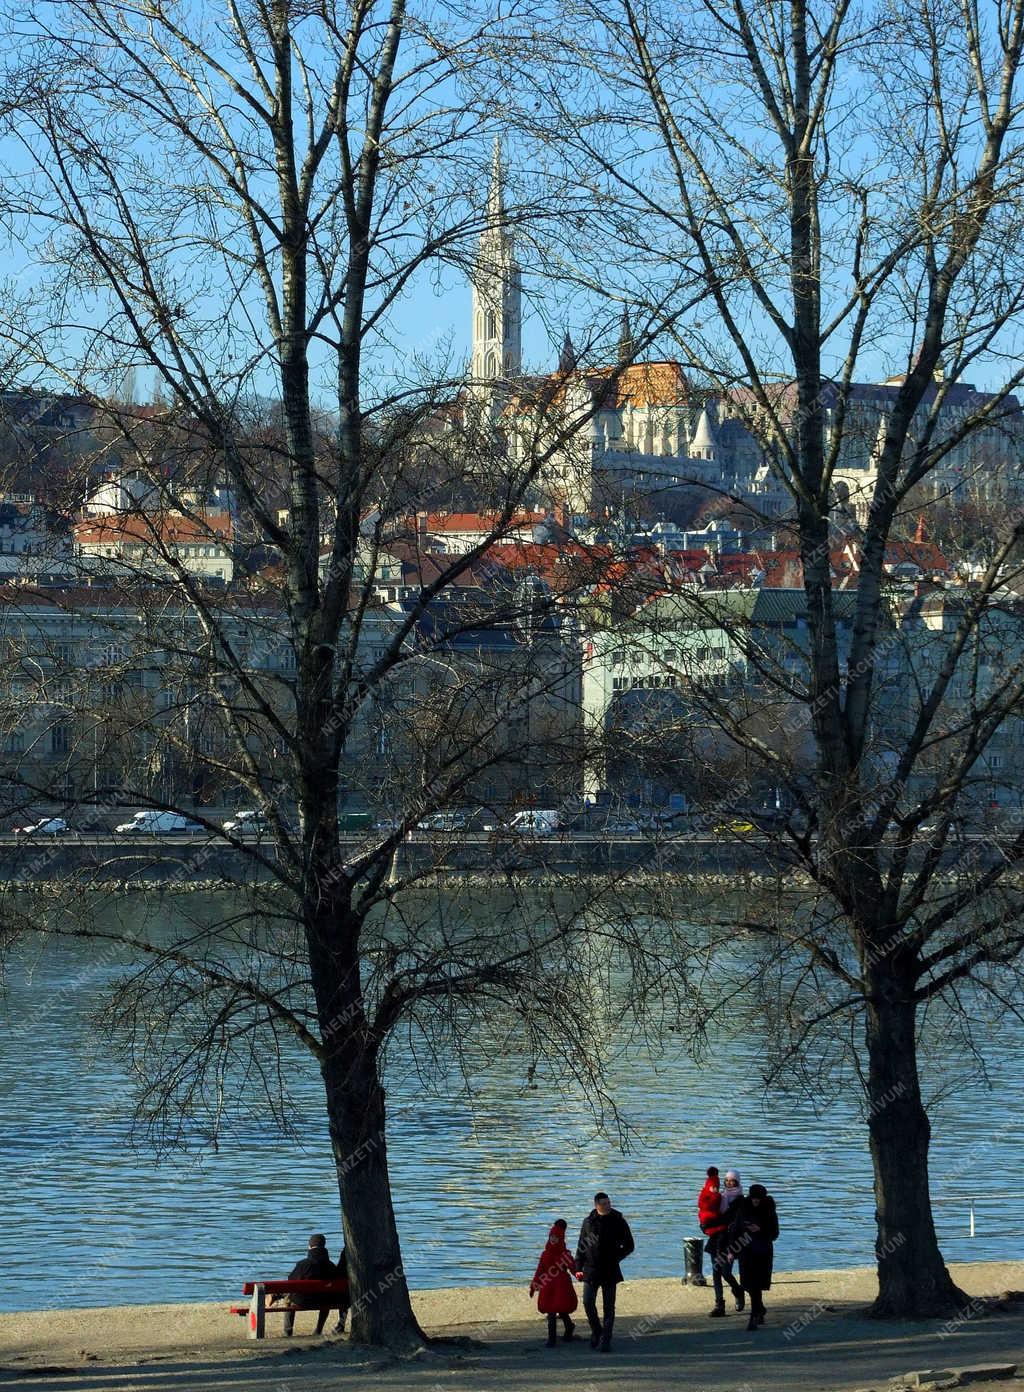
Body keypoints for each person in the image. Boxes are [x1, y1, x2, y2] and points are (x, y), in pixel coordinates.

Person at [574, 1191, 635, 1352]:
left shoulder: (618, 1221)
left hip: (610, 1269)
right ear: (597, 1205)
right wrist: (577, 1267)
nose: (608, 1206)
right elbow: (581, 1246)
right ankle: (597, 1331)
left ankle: (606, 1339)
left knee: (609, 1306)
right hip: (591, 1269)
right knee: (588, 1302)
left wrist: (616, 1257)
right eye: (604, 1204)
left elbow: (629, 1245)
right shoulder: (588, 1222)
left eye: (609, 1203)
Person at [727, 1183, 779, 1331]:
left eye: (758, 1199)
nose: (756, 1202)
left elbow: (775, 1233)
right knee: (747, 1284)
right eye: (754, 1199)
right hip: (745, 1251)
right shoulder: (744, 1208)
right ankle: (760, 1309)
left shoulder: (769, 1210)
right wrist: (731, 1251)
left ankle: (754, 1316)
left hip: (762, 1252)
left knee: (756, 1284)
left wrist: (760, 1229)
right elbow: (735, 1230)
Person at [274, 1233, 348, 1337]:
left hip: (303, 1301)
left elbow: (290, 1282)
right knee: (325, 1296)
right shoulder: (330, 1266)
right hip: (324, 1301)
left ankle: (288, 1332)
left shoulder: (302, 1264)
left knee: (289, 1300)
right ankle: (318, 1330)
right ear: (324, 1246)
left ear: (309, 1247)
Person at [699, 1165, 744, 1317]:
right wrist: (704, 1225)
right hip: (716, 1238)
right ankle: (719, 1305)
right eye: (727, 1181)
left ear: (738, 1182)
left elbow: (729, 1219)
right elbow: (708, 1211)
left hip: (731, 1241)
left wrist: (710, 1224)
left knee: (726, 1272)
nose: (729, 1183)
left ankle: (738, 1291)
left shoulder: (740, 1201)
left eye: (733, 1181)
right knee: (716, 1272)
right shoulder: (720, 1197)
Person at [529, 1219, 578, 1347]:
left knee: (561, 1310)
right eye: (551, 1236)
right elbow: (539, 1270)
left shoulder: (565, 1255)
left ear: (560, 1238)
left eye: (556, 1237)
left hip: (562, 1286)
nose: (553, 1239)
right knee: (551, 1312)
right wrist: (534, 1284)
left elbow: (573, 1268)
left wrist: (580, 1275)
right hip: (548, 1286)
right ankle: (553, 1339)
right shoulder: (545, 1254)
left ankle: (566, 1330)